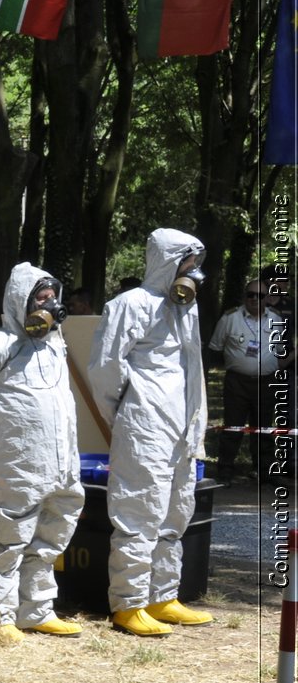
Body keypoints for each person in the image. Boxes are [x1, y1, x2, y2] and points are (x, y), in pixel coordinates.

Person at [87, 228, 213, 636]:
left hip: (180, 426)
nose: (194, 272)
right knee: (139, 512)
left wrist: (195, 422)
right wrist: (128, 412)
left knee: (175, 512)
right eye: (188, 263)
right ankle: (129, 603)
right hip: (145, 424)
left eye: (197, 263)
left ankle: (163, 596)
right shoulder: (129, 304)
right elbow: (105, 369)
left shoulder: (185, 309)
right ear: (168, 261)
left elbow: (192, 371)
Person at [0, 264, 85, 642]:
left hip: (61, 465)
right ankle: (0, 616)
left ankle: (37, 610)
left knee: (50, 538)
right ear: (21, 301)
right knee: (5, 536)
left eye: (52, 297)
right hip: (15, 464)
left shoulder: (55, 344)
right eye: (40, 298)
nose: (49, 305)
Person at [207, 279, 289, 482]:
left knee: (263, 428)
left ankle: (264, 470)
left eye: (260, 296)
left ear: (267, 299)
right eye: (250, 294)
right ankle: (225, 470)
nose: (254, 299)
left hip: (266, 382)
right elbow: (215, 347)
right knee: (232, 427)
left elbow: (280, 352)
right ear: (245, 296)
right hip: (237, 382)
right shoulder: (230, 318)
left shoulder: (276, 320)